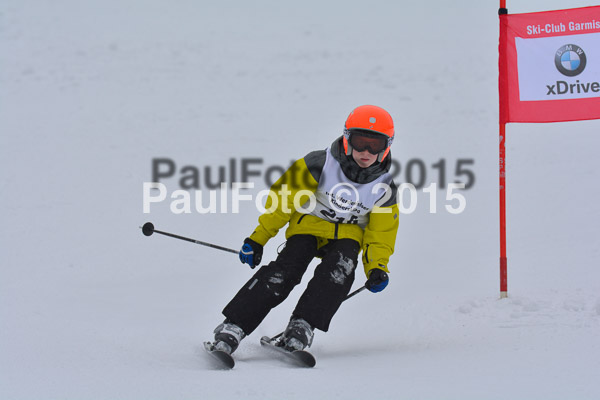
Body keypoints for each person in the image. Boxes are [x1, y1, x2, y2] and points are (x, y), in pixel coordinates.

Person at [210, 105, 400, 354]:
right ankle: (233, 326)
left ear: (386, 146)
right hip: (307, 226)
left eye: (374, 145)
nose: (365, 152)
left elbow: (381, 233)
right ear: (346, 139)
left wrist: (377, 267)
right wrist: (258, 240)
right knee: (285, 271)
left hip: (348, 235)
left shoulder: (384, 187)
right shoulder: (319, 163)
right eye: (359, 142)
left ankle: (303, 325)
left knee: (339, 272)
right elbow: (282, 203)